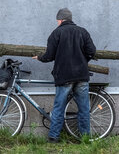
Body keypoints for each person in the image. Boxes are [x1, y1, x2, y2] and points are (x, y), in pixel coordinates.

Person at [32, 8, 96, 143]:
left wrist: (40, 58)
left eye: (57, 20)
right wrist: (84, 61)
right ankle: (85, 138)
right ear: (70, 19)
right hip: (81, 75)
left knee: (59, 107)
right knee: (84, 109)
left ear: (60, 20)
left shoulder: (56, 33)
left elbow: (49, 55)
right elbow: (92, 51)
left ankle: (54, 137)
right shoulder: (82, 32)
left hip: (64, 76)